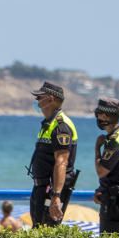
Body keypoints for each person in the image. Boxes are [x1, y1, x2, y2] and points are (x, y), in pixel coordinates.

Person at [28, 82, 78, 226]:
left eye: (39, 98)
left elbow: (61, 162)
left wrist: (56, 196)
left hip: (50, 191)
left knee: (45, 234)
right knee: (37, 230)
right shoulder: (49, 124)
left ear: (50, 99)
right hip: (41, 188)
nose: (37, 101)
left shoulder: (61, 126)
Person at [93, 98, 119, 233]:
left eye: (98, 113)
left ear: (105, 116)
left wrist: (97, 149)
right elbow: (118, 172)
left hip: (114, 204)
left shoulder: (115, 142)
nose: (97, 117)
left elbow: (101, 171)